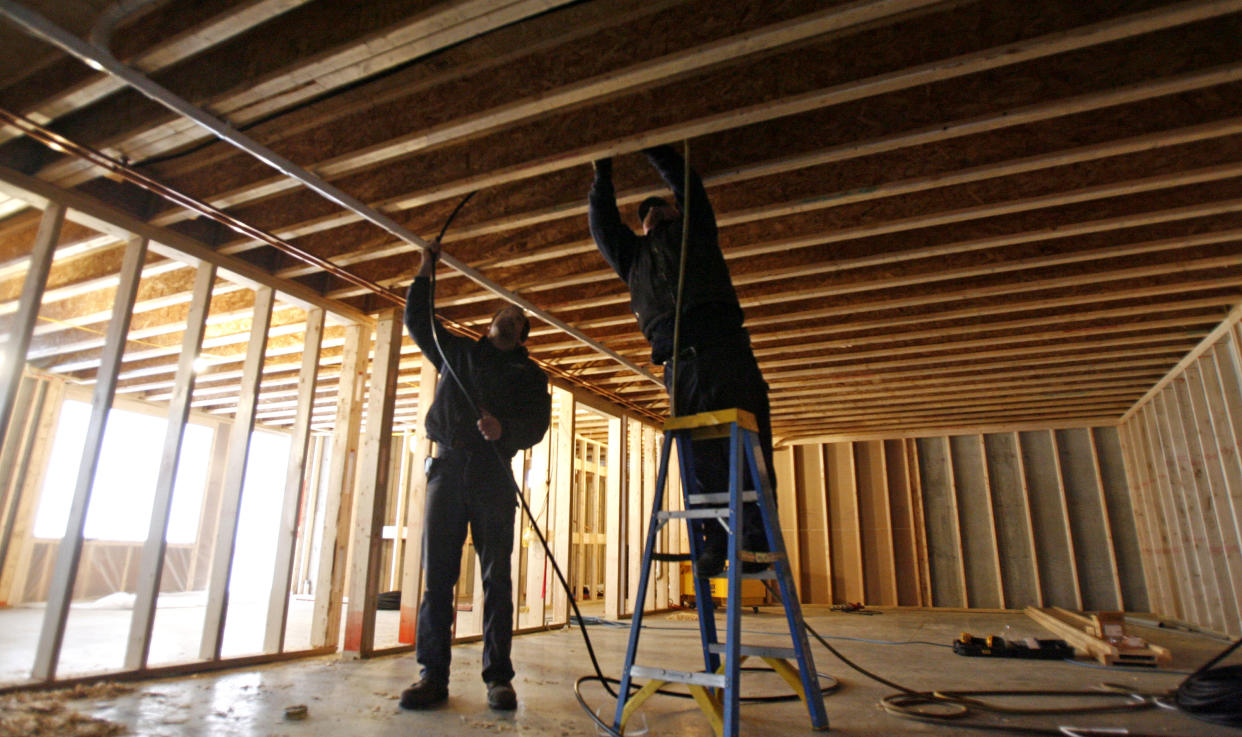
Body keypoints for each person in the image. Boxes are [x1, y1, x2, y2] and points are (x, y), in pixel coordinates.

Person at [588, 144, 774, 579]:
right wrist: (602, 176)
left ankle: (754, 544)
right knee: (701, 459)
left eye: (661, 207)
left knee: (747, 451)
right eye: (646, 213)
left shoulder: (696, 232)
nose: (653, 213)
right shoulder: (634, 259)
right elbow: (604, 227)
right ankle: (714, 542)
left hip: (726, 351)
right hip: (680, 366)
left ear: (674, 214)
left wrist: (655, 147)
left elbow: (689, 187)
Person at [400, 240, 551, 711]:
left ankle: (498, 679)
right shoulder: (458, 353)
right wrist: (427, 269)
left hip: (492, 475)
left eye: (517, 317)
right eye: (502, 311)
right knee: (438, 577)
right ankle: (432, 676)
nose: (508, 315)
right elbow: (419, 322)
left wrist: (505, 429)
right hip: (447, 468)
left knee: (496, 578)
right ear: (490, 324)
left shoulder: (531, 376)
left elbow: (538, 426)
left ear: (523, 335)